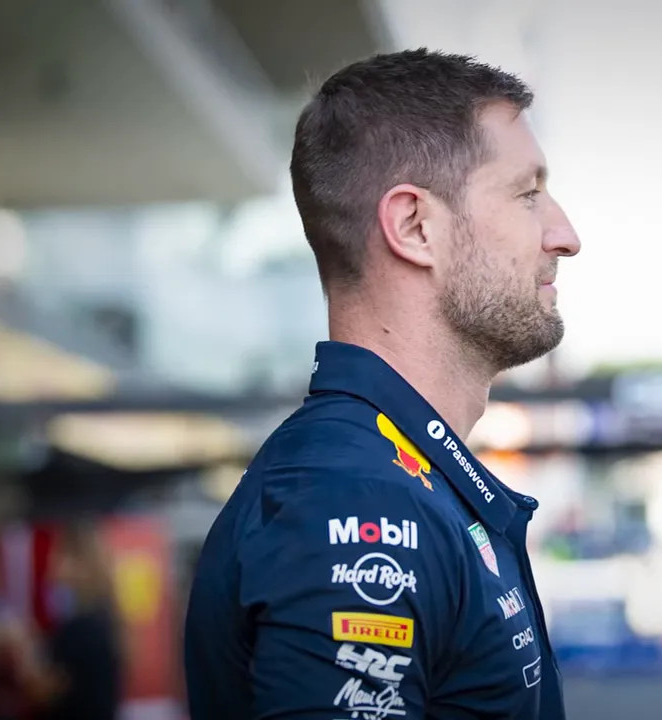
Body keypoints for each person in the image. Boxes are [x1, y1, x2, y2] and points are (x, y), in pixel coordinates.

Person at [183, 48, 580, 720]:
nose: (564, 235)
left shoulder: (399, 480)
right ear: (414, 226)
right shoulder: (359, 501)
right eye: (528, 193)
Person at [0, 520, 123, 720]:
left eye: (60, 555)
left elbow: (42, 693)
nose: (52, 562)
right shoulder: (101, 616)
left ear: (80, 563)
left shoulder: (81, 627)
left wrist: (23, 650)